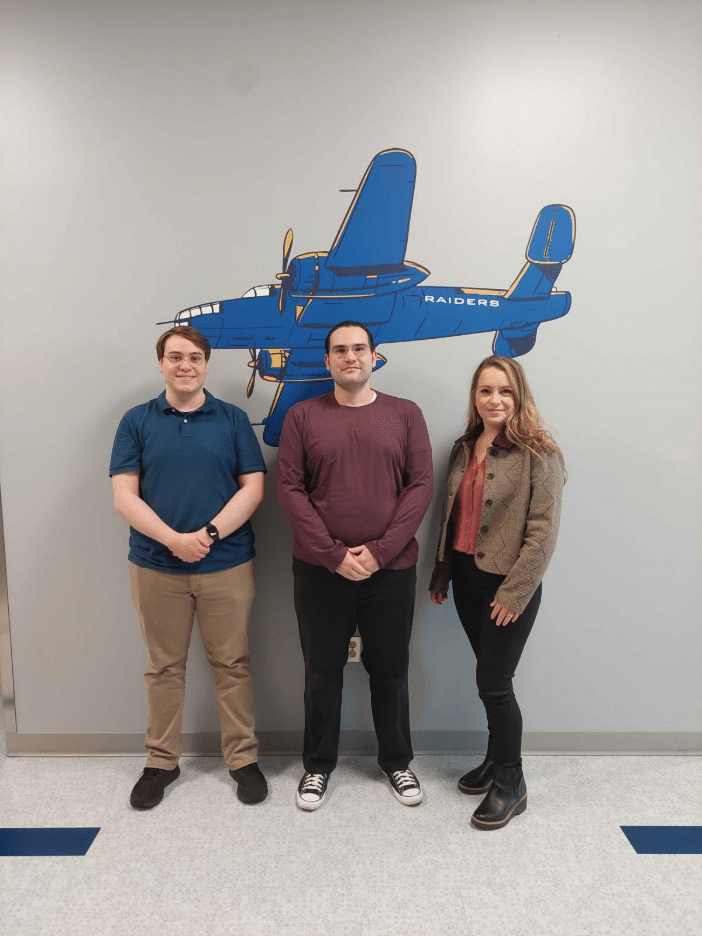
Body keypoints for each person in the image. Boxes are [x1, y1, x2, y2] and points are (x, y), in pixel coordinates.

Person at [277, 321, 433, 810]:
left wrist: (380, 551)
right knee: (321, 673)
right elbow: (290, 490)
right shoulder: (302, 416)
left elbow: (421, 487)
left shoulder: (406, 414)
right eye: (340, 350)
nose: (350, 357)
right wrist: (334, 554)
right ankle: (318, 767)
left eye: (359, 349)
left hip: (391, 571)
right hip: (320, 570)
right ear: (326, 361)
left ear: (374, 357)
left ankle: (397, 762)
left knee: (390, 670)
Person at [110, 326, 268, 809]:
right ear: (161, 363)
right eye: (175, 357)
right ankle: (161, 762)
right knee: (163, 668)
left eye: (195, 357)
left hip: (226, 564)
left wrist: (208, 535)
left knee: (233, 665)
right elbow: (124, 496)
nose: (185, 365)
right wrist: (175, 541)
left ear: (206, 365)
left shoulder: (234, 419)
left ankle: (242, 759)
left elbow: (253, 488)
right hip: (156, 567)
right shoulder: (136, 421)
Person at [429, 355, 564, 830]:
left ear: (519, 395)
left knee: (495, 684)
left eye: (505, 391)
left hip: (509, 586)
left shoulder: (540, 452)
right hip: (467, 580)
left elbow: (543, 532)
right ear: (475, 397)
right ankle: (493, 759)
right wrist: (442, 574)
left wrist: (516, 593)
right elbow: (450, 516)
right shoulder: (464, 447)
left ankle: (512, 780)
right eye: (486, 391)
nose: (495, 400)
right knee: (487, 678)